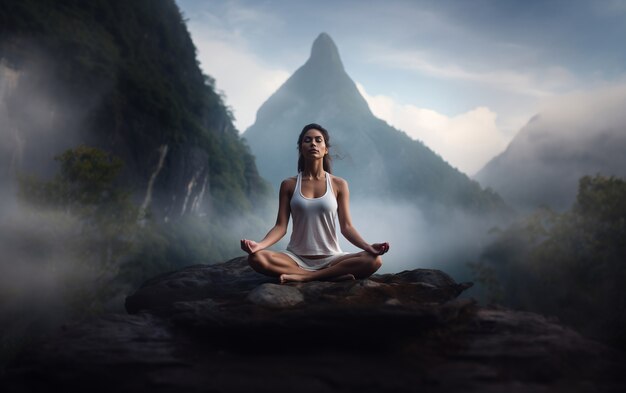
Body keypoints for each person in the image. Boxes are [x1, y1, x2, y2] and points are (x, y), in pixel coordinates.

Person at [240, 123, 389, 284]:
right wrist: (259, 245)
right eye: (307, 140)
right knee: (256, 258)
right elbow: (280, 227)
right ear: (301, 149)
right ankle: (330, 276)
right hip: (295, 258)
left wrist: (368, 247)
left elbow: (347, 227)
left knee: (374, 260)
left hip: (332, 258)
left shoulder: (339, 184)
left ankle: (307, 277)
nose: (313, 143)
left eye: (319, 140)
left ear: (326, 149)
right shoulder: (289, 184)